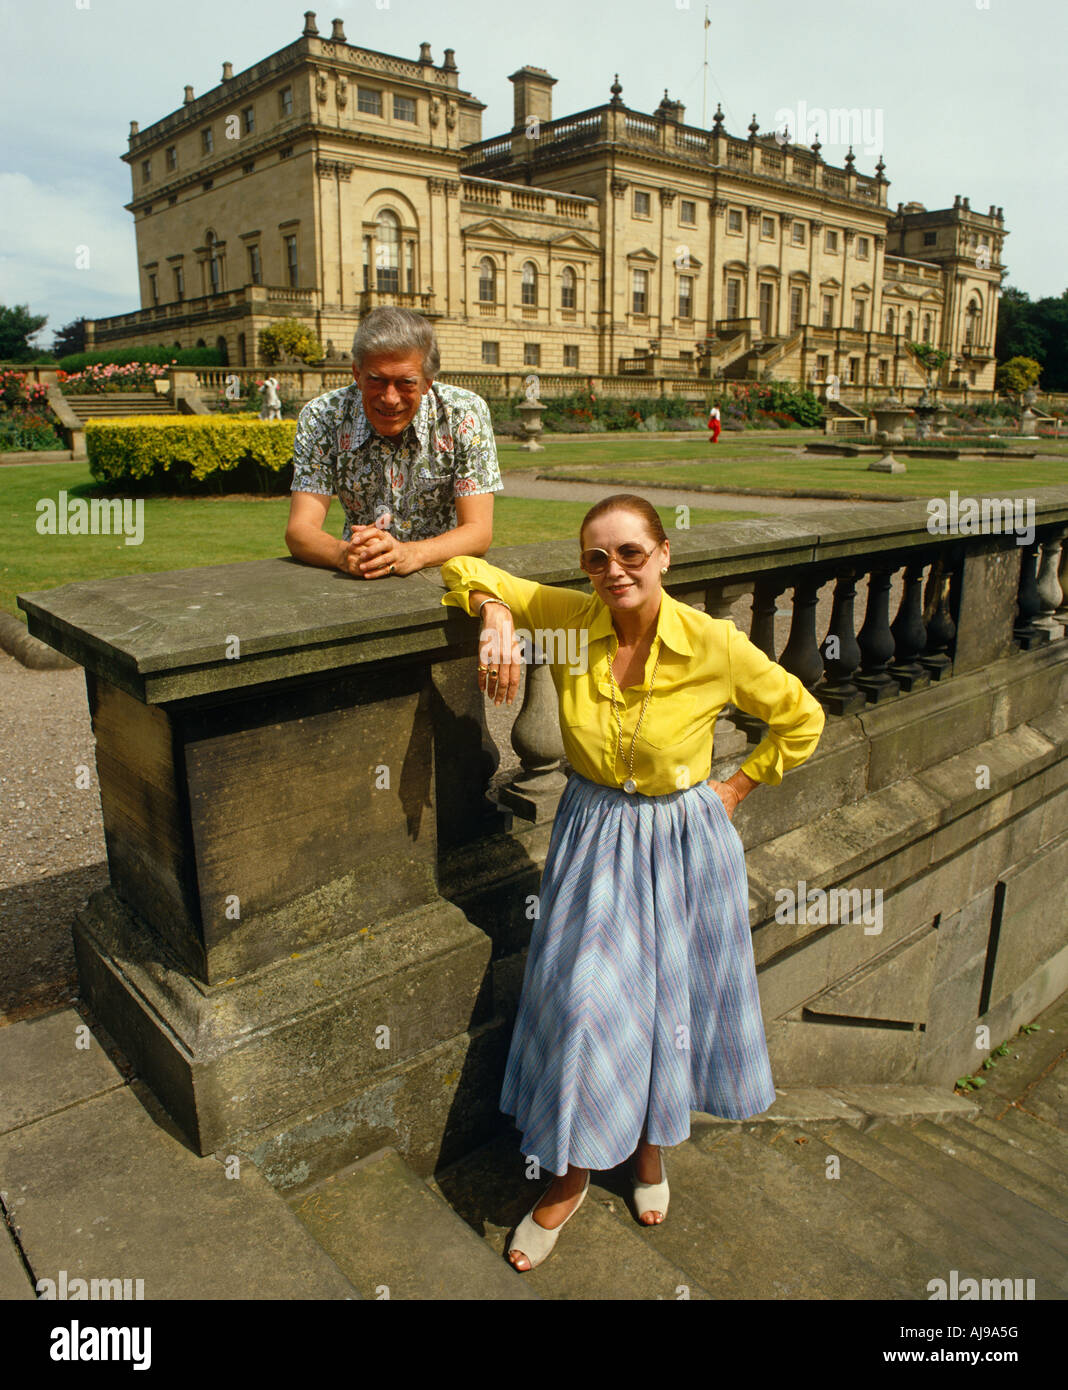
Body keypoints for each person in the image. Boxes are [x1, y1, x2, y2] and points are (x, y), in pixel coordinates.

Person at [439, 493, 825, 1272]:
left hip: (684, 840)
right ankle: (569, 1174)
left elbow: (802, 716)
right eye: (596, 558)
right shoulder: (567, 618)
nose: (613, 571)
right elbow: (462, 563)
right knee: (586, 1003)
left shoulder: (713, 643)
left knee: (666, 1004)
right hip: (594, 836)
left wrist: (737, 787)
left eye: (631, 554)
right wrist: (497, 616)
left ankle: (650, 1152)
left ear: (663, 556)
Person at [285, 306, 501, 578]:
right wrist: (344, 555)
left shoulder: (464, 414)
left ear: (427, 382)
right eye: (376, 380)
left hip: (444, 575)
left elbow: (478, 531)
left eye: (405, 383)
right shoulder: (322, 416)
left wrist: (412, 554)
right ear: (357, 374)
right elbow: (300, 531)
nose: (390, 397)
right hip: (358, 576)